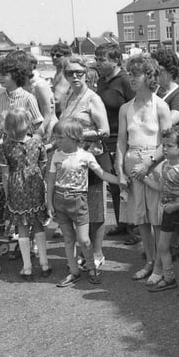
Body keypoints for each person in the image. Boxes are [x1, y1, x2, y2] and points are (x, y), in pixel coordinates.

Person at [115, 54, 171, 284]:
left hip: (154, 163)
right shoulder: (125, 108)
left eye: (136, 74)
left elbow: (167, 144)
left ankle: (160, 265)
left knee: (157, 218)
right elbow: (121, 141)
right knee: (142, 219)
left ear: (149, 76)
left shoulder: (161, 106)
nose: (131, 78)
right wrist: (120, 171)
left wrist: (148, 162)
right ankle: (149, 261)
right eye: (129, 74)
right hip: (132, 161)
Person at [48, 118, 120, 288]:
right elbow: (50, 181)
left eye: (60, 138)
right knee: (68, 239)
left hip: (79, 201)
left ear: (74, 137)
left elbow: (102, 174)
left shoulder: (85, 156)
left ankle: (91, 268)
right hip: (60, 201)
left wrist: (120, 181)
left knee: (84, 240)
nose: (57, 141)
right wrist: (49, 203)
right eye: (56, 137)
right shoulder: (56, 156)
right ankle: (74, 272)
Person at [58, 57, 111, 270]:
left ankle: (97, 252)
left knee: (95, 207)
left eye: (79, 72)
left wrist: (76, 134)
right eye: (70, 73)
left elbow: (104, 130)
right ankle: (84, 250)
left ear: (86, 72)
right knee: (78, 207)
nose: (75, 76)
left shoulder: (93, 99)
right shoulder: (67, 97)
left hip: (92, 158)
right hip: (71, 160)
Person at [140, 128, 179, 295]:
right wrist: (145, 179)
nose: (164, 149)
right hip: (168, 212)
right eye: (163, 146)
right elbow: (162, 188)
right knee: (163, 246)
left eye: (169, 146)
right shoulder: (164, 165)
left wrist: (175, 207)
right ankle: (169, 277)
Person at [0, 109, 50, 280]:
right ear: (27, 123)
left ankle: (27, 267)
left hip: (16, 187)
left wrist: (7, 194)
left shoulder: (5, 147)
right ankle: (44, 263)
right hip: (35, 184)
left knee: (22, 226)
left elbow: (5, 175)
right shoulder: (37, 143)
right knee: (38, 223)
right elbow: (43, 165)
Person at [94, 42, 136, 241]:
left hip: (122, 139)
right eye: (97, 59)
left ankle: (134, 229)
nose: (98, 63)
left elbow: (135, 108)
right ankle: (122, 224)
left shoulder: (125, 81)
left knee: (126, 183)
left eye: (102, 60)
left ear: (116, 61)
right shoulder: (102, 81)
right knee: (114, 185)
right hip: (105, 140)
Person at [0, 55, 43, 156]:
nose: (0, 78)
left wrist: (33, 146)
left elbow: (39, 126)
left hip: (26, 146)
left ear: (15, 75)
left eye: (5, 74)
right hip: (7, 147)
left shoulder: (28, 98)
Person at [152, 49, 179, 126]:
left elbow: (169, 122)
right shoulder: (152, 90)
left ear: (171, 72)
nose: (155, 74)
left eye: (159, 70)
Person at [50, 43, 73, 112]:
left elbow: (57, 98)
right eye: (52, 55)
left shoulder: (65, 73)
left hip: (63, 114)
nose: (54, 57)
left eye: (58, 55)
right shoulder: (58, 73)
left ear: (68, 57)